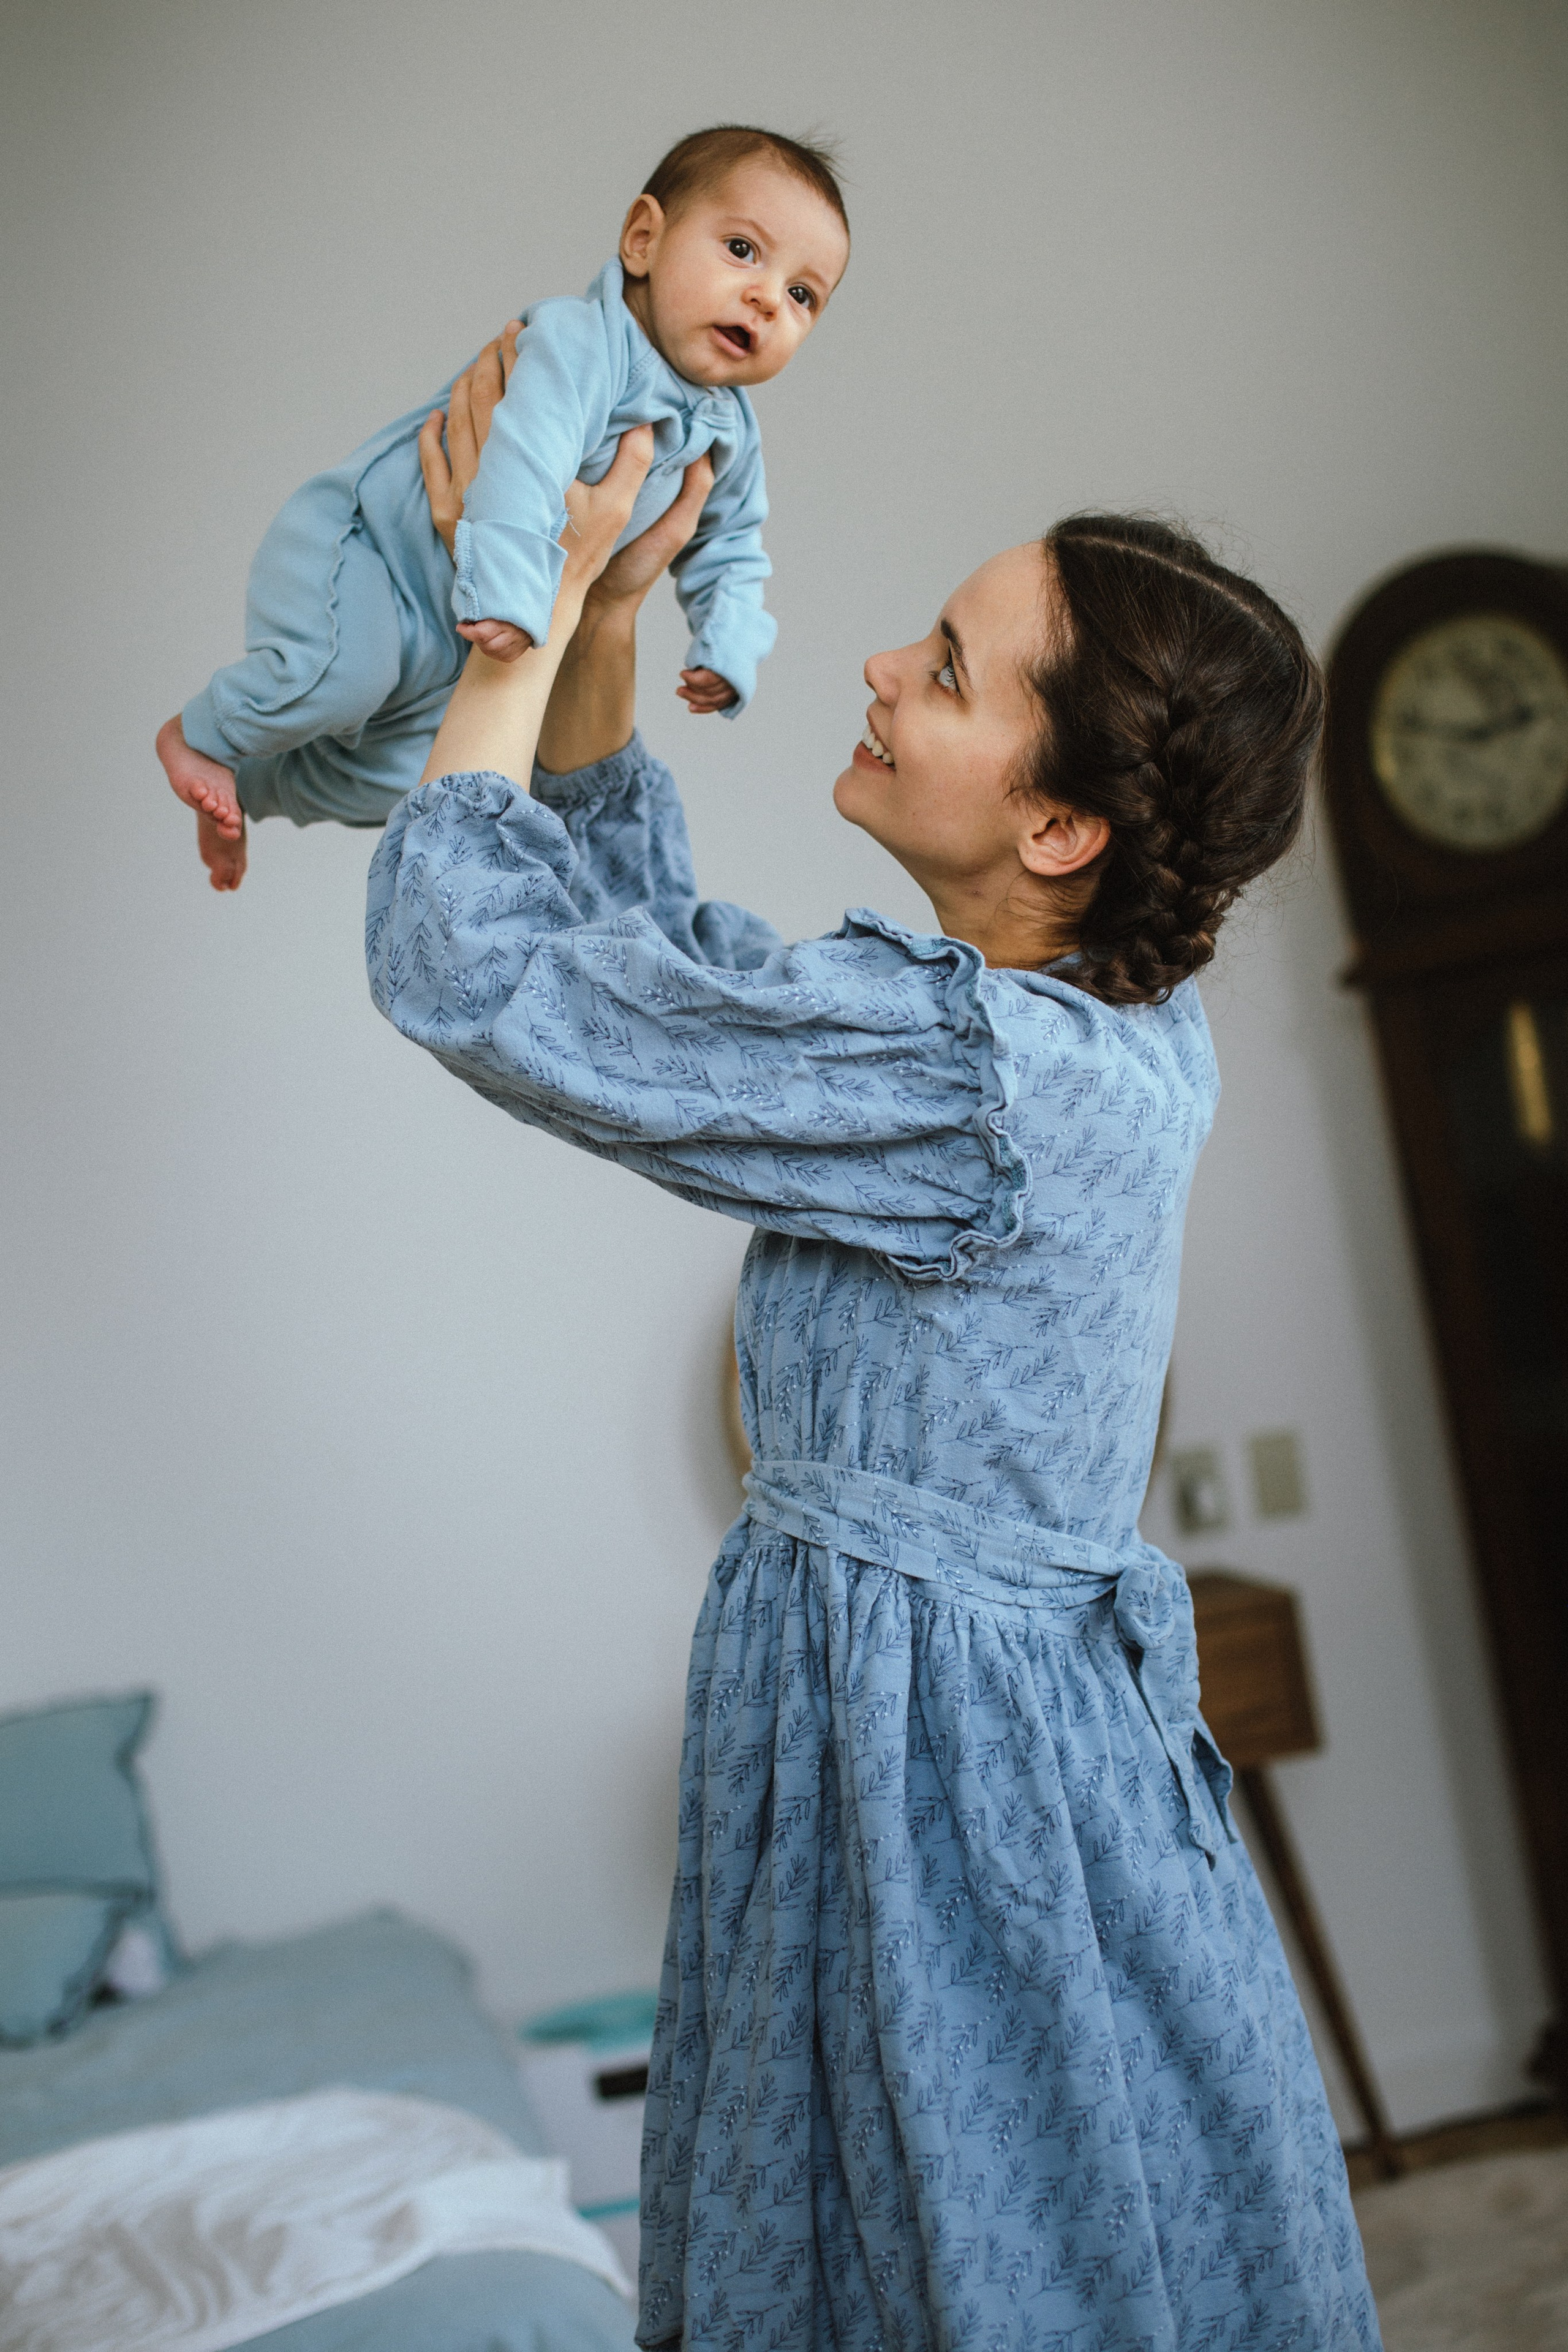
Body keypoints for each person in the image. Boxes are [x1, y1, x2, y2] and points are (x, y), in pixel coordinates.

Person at [367, 343, 1381, 2350]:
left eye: (946, 663)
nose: (878, 671)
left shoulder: (979, 1076)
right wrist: (615, 627)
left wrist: (516, 608)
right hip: (915, 1726)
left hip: (950, 1766)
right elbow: (673, 983)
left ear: (1065, 820)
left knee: (975, 2271)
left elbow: (481, 974)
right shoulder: (1054, 1036)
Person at [158, 126, 850, 892]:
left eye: (801, 295)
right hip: (376, 558)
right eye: (743, 251)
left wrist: (727, 643)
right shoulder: (580, 343)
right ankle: (199, 733)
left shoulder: (729, 429)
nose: (766, 296)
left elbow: (734, 545)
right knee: (341, 680)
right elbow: (524, 463)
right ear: (643, 239)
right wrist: (520, 599)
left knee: (417, 785)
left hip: (468, 629)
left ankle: (246, 789)